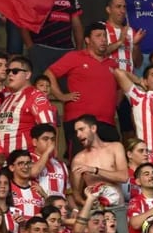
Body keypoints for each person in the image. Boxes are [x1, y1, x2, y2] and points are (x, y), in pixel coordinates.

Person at [44, 24, 121, 159]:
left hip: (107, 123)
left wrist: (114, 104)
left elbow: (120, 88)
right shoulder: (75, 57)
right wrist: (60, 96)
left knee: (111, 166)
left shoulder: (112, 64)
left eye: (105, 36)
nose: (103, 39)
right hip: (80, 122)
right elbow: (49, 73)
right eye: (98, 36)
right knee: (80, 165)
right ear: (87, 40)